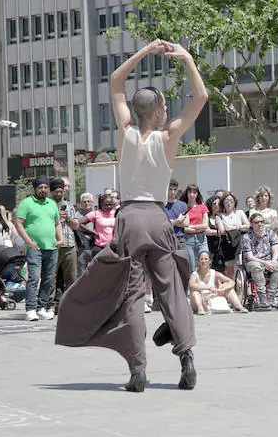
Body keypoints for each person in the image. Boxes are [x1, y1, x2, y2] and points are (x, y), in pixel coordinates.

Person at [56, 39, 204, 392]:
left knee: (133, 296)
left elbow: (115, 82)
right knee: (171, 293)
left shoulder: (126, 132)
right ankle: (187, 359)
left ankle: (138, 372)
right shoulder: (169, 136)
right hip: (157, 216)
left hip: (129, 218)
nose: (167, 108)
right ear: (159, 111)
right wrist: (186, 59)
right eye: (165, 104)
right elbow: (200, 98)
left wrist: (144, 52)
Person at [14, 177, 63, 321]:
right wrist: (28, 242)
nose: (43, 190)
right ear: (35, 189)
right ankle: (30, 309)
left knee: (48, 279)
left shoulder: (52, 204)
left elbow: (57, 223)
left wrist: (60, 238)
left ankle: (41, 308)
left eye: (45, 187)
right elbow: (18, 223)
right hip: (34, 247)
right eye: (40, 187)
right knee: (34, 278)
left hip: (51, 247)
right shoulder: (26, 203)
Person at [241, 212, 278, 309]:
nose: (260, 224)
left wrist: (273, 261)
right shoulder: (247, 237)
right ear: (252, 224)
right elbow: (249, 256)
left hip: (268, 261)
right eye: (256, 222)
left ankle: (271, 294)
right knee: (256, 266)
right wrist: (265, 263)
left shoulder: (270, 233)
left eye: (261, 221)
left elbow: (275, 251)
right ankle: (262, 296)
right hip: (252, 262)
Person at [49, 178, 79, 309]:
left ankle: (71, 304)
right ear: (51, 191)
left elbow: (76, 225)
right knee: (51, 277)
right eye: (56, 191)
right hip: (52, 245)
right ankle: (49, 304)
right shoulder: (47, 205)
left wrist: (67, 218)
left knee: (71, 276)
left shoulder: (69, 205)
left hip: (69, 244)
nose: (59, 194)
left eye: (61, 191)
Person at [216, 192, 250, 280]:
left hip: (241, 243)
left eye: (231, 200)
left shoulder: (240, 213)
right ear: (223, 202)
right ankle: (231, 288)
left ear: (234, 202)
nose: (229, 203)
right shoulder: (219, 216)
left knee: (242, 268)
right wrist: (239, 228)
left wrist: (232, 227)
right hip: (228, 245)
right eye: (226, 201)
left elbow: (247, 226)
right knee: (230, 270)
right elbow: (222, 230)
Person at [179, 184, 208, 273]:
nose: (192, 194)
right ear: (187, 193)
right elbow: (183, 228)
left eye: (194, 192)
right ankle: (192, 286)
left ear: (197, 194)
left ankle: (204, 285)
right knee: (191, 267)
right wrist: (189, 228)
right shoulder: (183, 207)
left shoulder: (202, 207)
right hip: (188, 240)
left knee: (205, 263)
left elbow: (205, 225)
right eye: (190, 192)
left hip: (202, 239)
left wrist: (191, 227)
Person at [79, 194, 117, 260]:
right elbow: (80, 223)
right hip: (100, 247)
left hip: (113, 247)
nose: (109, 206)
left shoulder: (116, 213)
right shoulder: (96, 213)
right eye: (106, 205)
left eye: (111, 204)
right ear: (101, 204)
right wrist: (93, 232)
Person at [73, 193, 95, 276]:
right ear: (81, 203)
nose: (87, 203)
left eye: (89, 201)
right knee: (81, 272)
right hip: (81, 247)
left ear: (92, 202)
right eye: (84, 201)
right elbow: (76, 226)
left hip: (94, 246)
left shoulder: (97, 214)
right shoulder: (76, 215)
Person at [165, 180, 189, 251]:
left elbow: (186, 223)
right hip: (167, 239)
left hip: (181, 239)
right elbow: (164, 225)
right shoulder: (162, 205)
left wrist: (172, 222)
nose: (173, 192)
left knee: (182, 261)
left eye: (175, 189)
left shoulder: (183, 205)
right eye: (170, 189)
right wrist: (178, 220)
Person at [205, 196, 224, 272]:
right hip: (210, 247)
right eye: (214, 203)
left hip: (222, 248)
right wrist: (220, 232)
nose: (216, 205)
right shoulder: (207, 217)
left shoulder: (223, 216)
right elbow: (207, 231)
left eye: (218, 203)